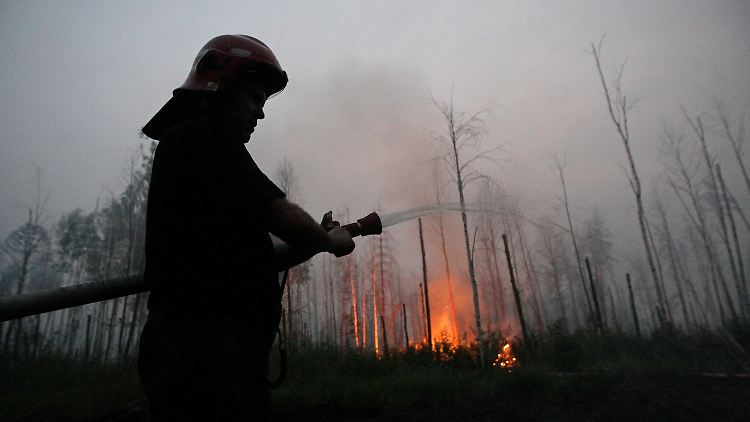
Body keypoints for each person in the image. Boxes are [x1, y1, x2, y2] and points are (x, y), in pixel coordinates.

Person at [137, 34, 355, 421]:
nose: (261, 113)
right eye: (255, 98)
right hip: (208, 360)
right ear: (221, 87)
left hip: (202, 355)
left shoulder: (192, 151)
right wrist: (329, 241)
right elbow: (282, 217)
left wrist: (314, 241)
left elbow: (236, 254)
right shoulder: (206, 137)